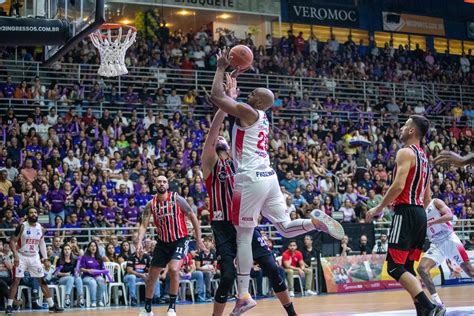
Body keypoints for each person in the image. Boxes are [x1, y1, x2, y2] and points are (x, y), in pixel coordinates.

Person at [210, 48, 344, 315]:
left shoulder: (250, 113)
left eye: (251, 96)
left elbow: (216, 97)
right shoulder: (261, 116)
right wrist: (233, 75)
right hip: (269, 178)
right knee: (283, 227)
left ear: (258, 102)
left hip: (249, 179)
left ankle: (244, 295)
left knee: (244, 237)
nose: (246, 96)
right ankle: (313, 223)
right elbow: (227, 100)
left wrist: (221, 69)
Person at [202, 87, 297, 316]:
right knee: (226, 277)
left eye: (226, 138)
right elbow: (214, 133)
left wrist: (227, 102)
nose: (224, 139)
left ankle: (292, 313)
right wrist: (225, 106)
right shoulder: (209, 162)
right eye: (220, 140)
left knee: (273, 268)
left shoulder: (240, 163)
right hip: (223, 225)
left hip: (242, 218)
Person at [366, 115, 444, 316]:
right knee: (407, 267)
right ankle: (422, 311)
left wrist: (378, 208)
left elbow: (399, 186)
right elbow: (427, 197)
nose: (401, 128)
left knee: (394, 267)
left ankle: (429, 306)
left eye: (405, 125)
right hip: (419, 214)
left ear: (411, 131)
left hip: (406, 212)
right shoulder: (424, 159)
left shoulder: (405, 152)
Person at [137, 175, 205, 316]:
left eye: (164, 181)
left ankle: (172, 307)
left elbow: (193, 216)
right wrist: (139, 242)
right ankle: (147, 309)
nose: (161, 183)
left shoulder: (177, 199)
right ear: (155, 184)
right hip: (162, 242)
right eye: (159, 181)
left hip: (180, 239)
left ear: (167, 185)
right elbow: (144, 225)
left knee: (174, 269)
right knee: (152, 277)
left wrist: (199, 239)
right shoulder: (151, 204)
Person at [417, 198, 474, 308]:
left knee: (470, 272)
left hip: (450, 240)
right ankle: (438, 302)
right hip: (436, 245)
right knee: (422, 269)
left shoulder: (435, 202)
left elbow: (450, 216)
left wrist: (431, 222)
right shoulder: (417, 210)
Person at [5, 207, 63, 315]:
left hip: (34, 256)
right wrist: (16, 256)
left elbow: (42, 243)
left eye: (35, 212)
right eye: (31, 212)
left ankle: (51, 306)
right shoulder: (22, 226)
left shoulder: (40, 228)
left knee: (42, 280)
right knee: (16, 281)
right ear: (27, 215)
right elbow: (12, 242)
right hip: (22, 255)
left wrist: (45, 258)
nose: (34, 214)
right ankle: (9, 305)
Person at [54, 244, 85, 308]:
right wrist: (65, 274)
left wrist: (78, 273)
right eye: (65, 249)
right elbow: (56, 273)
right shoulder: (59, 260)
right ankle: (67, 298)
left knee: (78, 278)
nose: (67, 251)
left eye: (68, 249)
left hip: (73, 277)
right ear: (63, 251)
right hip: (61, 279)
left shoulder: (74, 260)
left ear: (71, 251)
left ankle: (81, 298)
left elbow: (78, 271)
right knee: (70, 278)